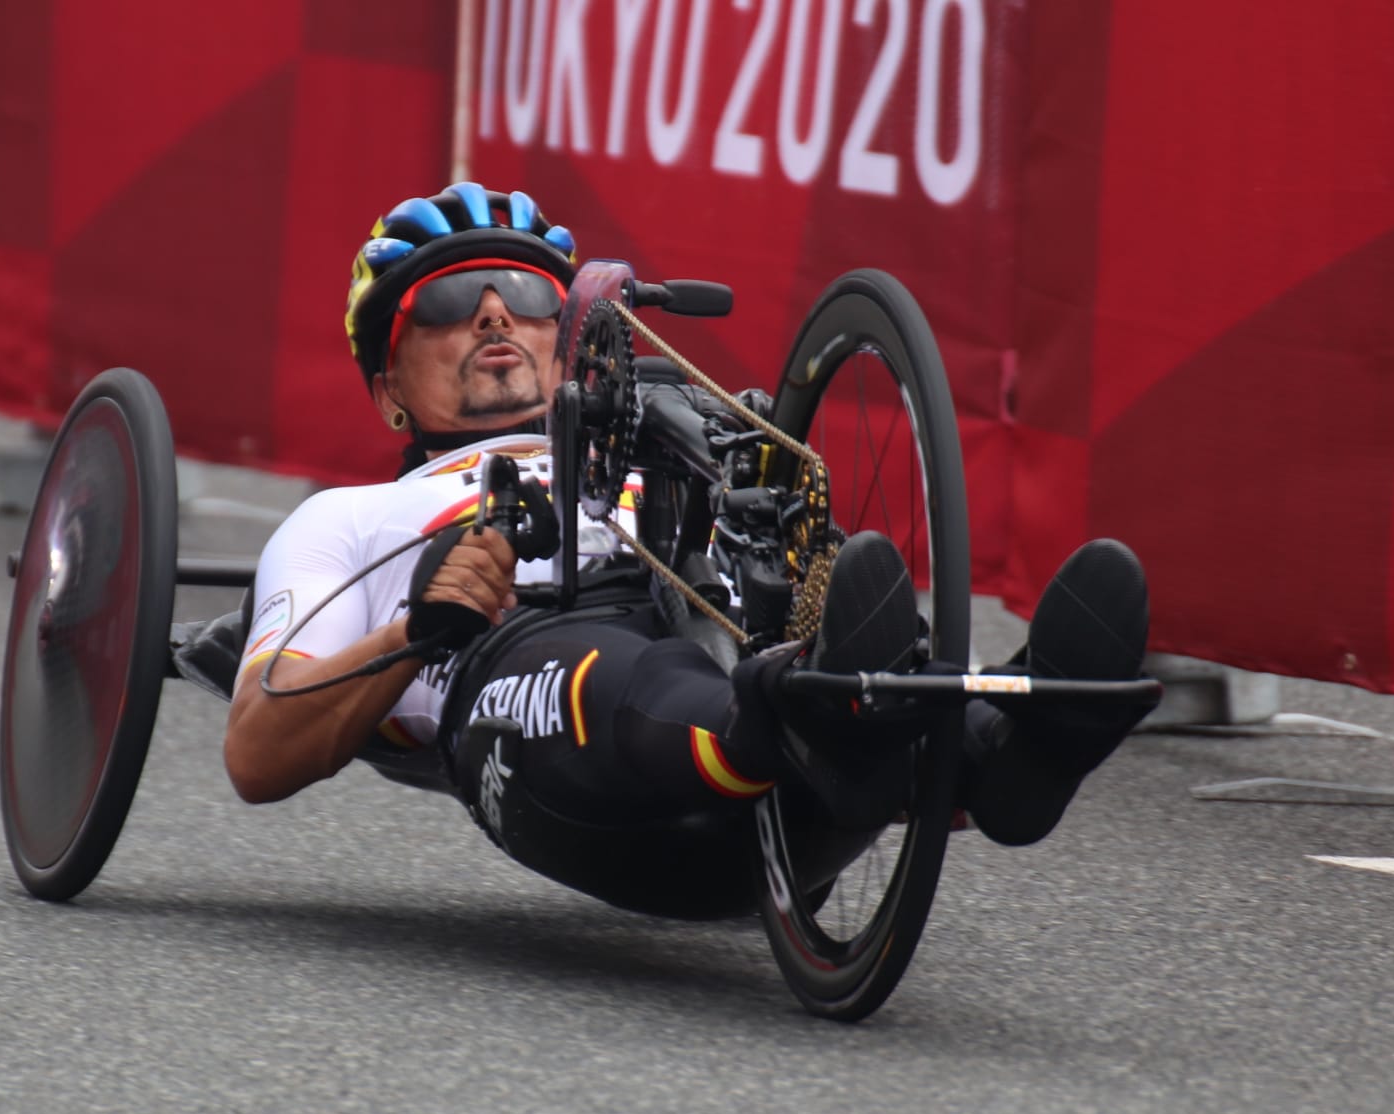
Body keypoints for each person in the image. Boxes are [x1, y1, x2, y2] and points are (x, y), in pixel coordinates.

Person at [214, 182, 1151, 912]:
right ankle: (796, 716)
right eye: (453, 298)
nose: (495, 314)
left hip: (776, 761)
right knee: (609, 665)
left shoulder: (657, 442)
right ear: (386, 391)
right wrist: (417, 630)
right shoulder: (345, 520)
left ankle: (1010, 753)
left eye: (530, 294)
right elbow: (256, 749)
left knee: (811, 580)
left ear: (567, 332)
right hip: (541, 707)